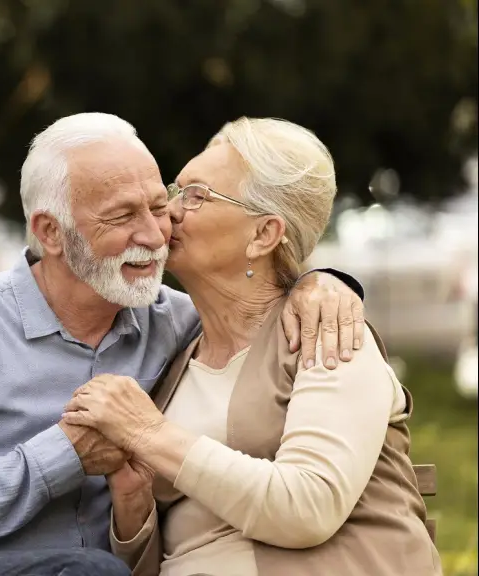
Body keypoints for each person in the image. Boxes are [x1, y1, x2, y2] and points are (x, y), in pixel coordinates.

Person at [0, 113, 367, 576]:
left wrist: (320, 283)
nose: (154, 234)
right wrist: (62, 455)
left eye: (157, 206)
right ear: (51, 232)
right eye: (122, 217)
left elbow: (254, 296)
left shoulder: (179, 325)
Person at [63, 117, 440, 576]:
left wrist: (149, 436)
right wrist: (132, 501)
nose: (170, 212)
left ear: (264, 234)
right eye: (174, 191)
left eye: (197, 196)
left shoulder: (327, 334)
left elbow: (307, 507)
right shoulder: (176, 354)